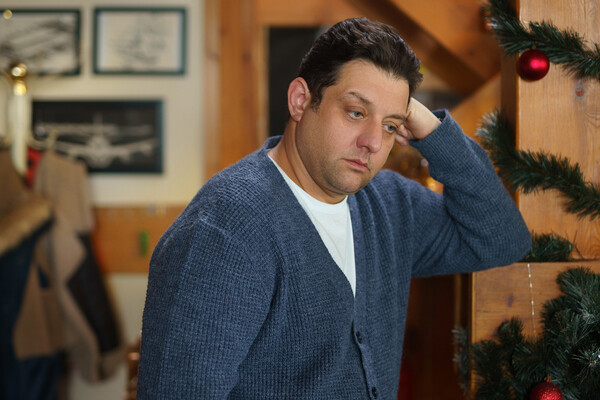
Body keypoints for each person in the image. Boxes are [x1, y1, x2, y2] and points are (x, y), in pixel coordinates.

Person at [137, 17, 531, 399]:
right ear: (301, 101)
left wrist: (433, 130)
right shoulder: (225, 231)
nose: (372, 142)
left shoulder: (389, 205)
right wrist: (389, 110)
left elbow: (501, 239)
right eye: (356, 112)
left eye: (391, 126)